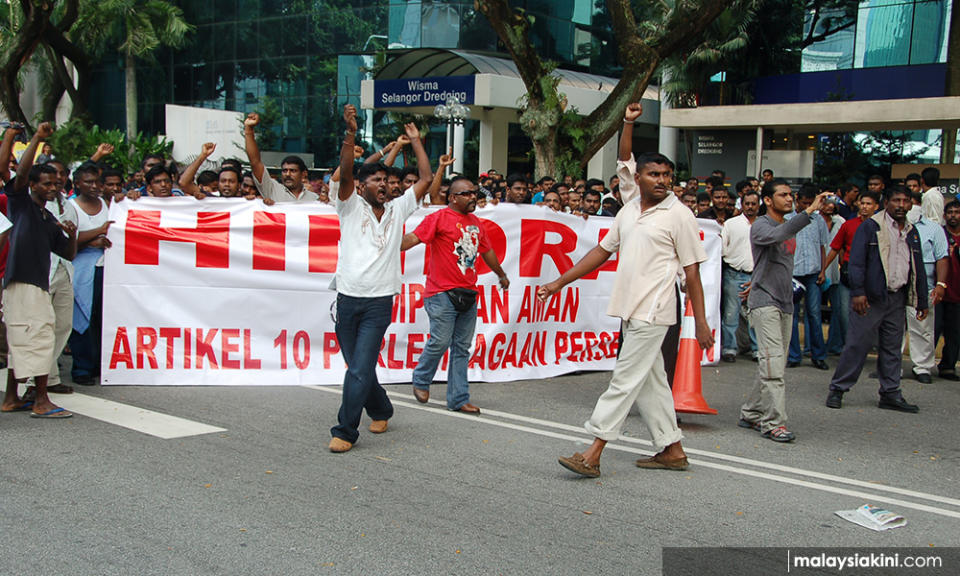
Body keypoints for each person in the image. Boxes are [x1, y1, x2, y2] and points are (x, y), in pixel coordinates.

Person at [546, 141, 713, 477]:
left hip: (654, 310)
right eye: (654, 174)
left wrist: (703, 322)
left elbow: (692, 270)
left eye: (667, 175)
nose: (662, 180)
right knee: (652, 383)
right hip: (630, 308)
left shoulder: (679, 214)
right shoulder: (629, 210)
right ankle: (672, 449)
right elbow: (601, 251)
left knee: (623, 380)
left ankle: (593, 452)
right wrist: (559, 282)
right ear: (639, 178)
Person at [328, 105, 432, 454]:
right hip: (346, 298)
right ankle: (382, 408)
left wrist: (416, 142)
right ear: (361, 186)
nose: (385, 185)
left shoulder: (399, 209)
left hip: (379, 302)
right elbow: (344, 174)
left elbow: (426, 179)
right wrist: (350, 133)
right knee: (358, 367)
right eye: (377, 180)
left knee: (358, 367)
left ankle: (345, 429)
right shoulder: (348, 205)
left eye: (388, 180)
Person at [401, 176, 509, 413]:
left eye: (474, 194)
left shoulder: (476, 223)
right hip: (440, 292)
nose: (473, 198)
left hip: (468, 293)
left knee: (461, 348)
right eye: (468, 193)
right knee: (439, 341)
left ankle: (459, 398)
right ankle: (421, 379)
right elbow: (413, 238)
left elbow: (487, 252)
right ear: (453, 197)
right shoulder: (438, 218)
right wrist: (388, 243)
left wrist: (501, 274)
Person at [739, 179, 830, 442]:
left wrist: (755, 280)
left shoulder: (786, 225)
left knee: (772, 362)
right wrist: (810, 211)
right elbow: (777, 237)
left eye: (791, 195)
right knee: (773, 365)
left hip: (785, 301)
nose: (790, 199)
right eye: (783, 195)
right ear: (768, 200)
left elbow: (771, 263)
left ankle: (751, 412)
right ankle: (773, 423)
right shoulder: (761, 225)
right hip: (764, 303)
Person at [826, 186, 927, 413]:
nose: (901, 205)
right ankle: (838, 389)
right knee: (857, 344)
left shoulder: (911, 231)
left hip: (896, 297)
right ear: (886, 202)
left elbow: (917, 266)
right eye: (896, 200)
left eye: (905, 201)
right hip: (870, 297)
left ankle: (890, 392)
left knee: (892, 348)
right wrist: (858, 292)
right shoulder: (871, 227)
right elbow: (857, 262)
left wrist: (922, 300)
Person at [1, 122, 78, 418]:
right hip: (23, 282)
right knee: (41, 338)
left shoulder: (48, 217)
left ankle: (11, 398)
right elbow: (18, 173)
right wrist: (34, 138)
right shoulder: (21, 203)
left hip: (34, 283)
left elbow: (67, 253)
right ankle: (41, 401)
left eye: (56, 184)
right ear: (33, 185)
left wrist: (71, 234)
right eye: (46, 183)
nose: (52, 187)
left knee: (22, 340)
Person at [820, 191, 880, 354]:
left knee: (870, 315)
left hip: (872, 275)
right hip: (848, 273)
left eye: (869, 204)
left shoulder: (881, 227)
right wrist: (823, 269)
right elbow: (835, 248)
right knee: (845, 314)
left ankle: (862, 347)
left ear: (876, 207)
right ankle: (851, 348)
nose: (865, 207)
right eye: (863, 203)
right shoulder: (848, 225)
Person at [67, 163, 111, 384]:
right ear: (77, 184)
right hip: (80, 270)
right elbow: (66, 239)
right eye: (89, 182)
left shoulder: (104, 203)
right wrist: (96, 235)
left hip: (104, 268)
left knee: (100, 318)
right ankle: (81, 368)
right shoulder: (70, 207)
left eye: (97, 182)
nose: (94, 186)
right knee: (82, 318)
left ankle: (97, 364)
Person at [904, 189, 947, 384]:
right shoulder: (890, 227)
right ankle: (889, 366)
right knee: (891, 328)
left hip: (924, 286)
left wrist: (940, 284)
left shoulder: (933, 228)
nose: (907, 206)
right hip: (896, 286)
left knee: (923, 328)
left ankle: (922, 367)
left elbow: (942, 257)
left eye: (910, 201)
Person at [786, 184, 830, 370]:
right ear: (798, 200)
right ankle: (794, 355)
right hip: (793, 273)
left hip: (812, 273)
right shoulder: (787, 219)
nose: (807, 207)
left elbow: (822, 246)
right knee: (792, 316)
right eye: (804, 203)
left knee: (814, 314)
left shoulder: (818, 220)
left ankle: (817, 354)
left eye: (810, 203)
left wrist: (822, 270)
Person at [720, 189, 759, 362]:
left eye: (753, 204)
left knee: (756, 315)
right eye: (747, 203)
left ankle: (757, 349)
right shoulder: (731, 224)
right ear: (741, 205)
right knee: (731, 314)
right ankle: (730, 348)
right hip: (734, 274)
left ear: (759, 205)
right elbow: (721, 248)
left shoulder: (764, 225)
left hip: (757, 276)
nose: (750, 207)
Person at [244, 113, 317, 203]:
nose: (287, 174)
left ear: (304, 174)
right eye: (284, 170)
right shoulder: (272, 190)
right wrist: (249, 130)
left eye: (293, 171)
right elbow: (255, 162)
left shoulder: (315, 200)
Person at [818, 196, 846, 356]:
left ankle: (834, 344)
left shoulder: (840, 222)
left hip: (835, 270)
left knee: (838, 309)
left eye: (832, 204)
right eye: (826, 203)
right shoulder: (813, 220)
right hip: (817, 269)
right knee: (813, 311)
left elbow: (841, 247)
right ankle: (812, 347)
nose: (829, 206)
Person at [936, 201, 960, 381]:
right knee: (933, 329)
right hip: (940, 290)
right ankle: (923, 365)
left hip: (958, 293)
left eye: (957, 212)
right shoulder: (940, 234)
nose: (953, 215)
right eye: (950, 212)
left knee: (954, 332)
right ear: (944, 216)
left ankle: (948, 366)